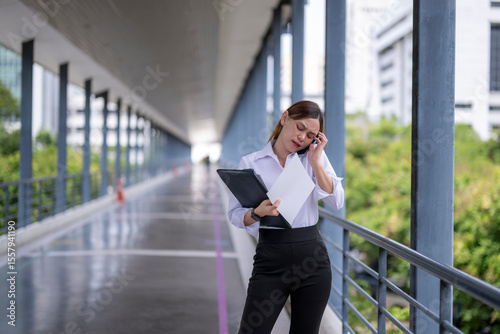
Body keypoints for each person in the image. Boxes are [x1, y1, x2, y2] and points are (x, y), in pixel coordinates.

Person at [227, 100, 345, 334]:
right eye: (300, 127)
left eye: (310, 135)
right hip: (270, 258)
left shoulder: (314, 159)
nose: (302, 138)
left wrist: (315, 163)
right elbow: (235, 215)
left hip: (312, 259)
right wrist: (257, 212)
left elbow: (337, 201)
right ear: (284, 118)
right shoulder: (251, 163)